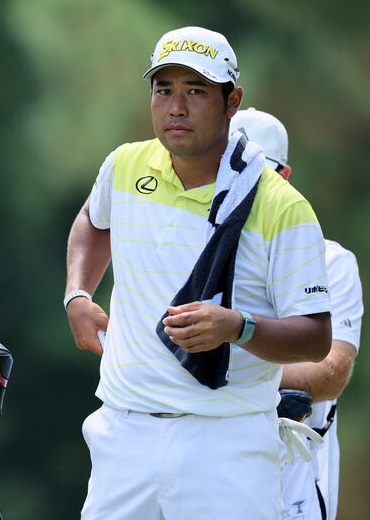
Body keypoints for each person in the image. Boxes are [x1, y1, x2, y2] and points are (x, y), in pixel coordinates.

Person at [65, 26, 332, 519]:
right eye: (164, 90)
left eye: (196, 92)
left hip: (227, 441)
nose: (176, 107)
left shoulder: (282, 206)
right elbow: (91, 221)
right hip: (125, 432)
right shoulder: (125, 164)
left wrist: (238, 328)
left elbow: (315, 338)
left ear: (233, 102)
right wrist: (78, 294)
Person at [232, 107, 362, 520]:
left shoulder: (330, 260)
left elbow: (330, 374)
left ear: (283, 177)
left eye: (257, 175)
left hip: (294, 473)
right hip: (207, 460)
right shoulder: (190, 254)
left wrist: (216, 364)